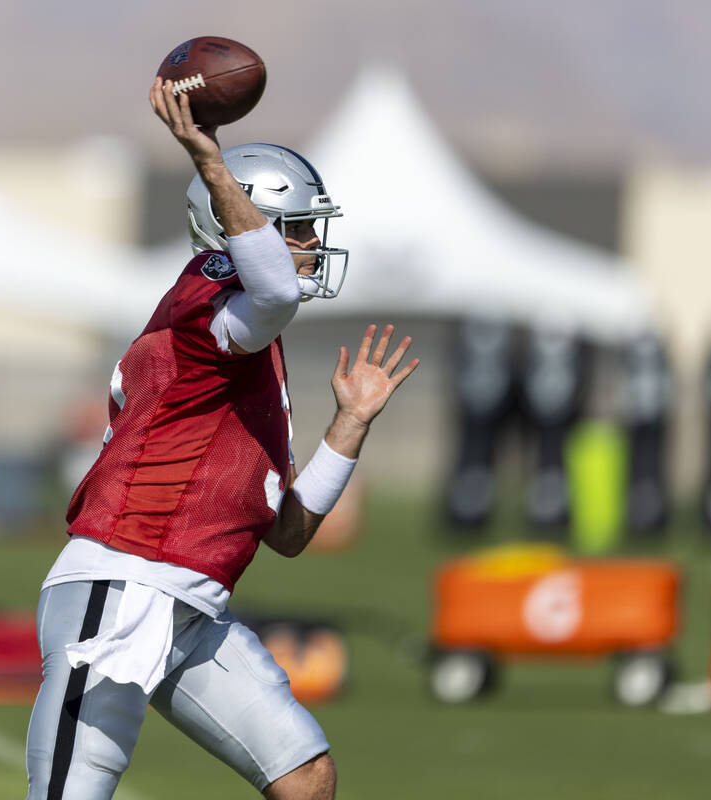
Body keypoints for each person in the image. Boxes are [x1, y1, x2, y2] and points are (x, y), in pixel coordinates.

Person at [23, 78, 419, 800]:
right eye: (293, 229)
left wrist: (349, 426)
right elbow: (271, 290)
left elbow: (290, 534)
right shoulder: (210, 300)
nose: (309, 247)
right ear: (247, 227)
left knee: (306, 780)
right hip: (123, 587)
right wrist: (208, 159)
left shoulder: (252, 353)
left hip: (193, 608)